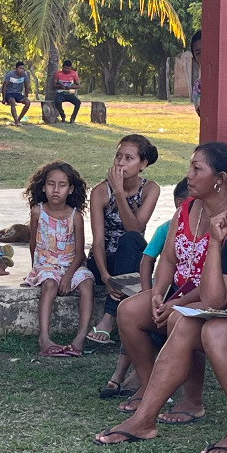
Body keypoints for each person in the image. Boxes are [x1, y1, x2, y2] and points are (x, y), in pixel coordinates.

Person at [97, 162, 227, 446]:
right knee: (185, 322)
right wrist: (216, 244)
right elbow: (213, 299)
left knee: (214, 330)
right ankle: (144, 420)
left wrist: (218, 303)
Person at [108, 143, 227, 425]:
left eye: (197, 169)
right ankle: (149, 384)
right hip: (176, 293)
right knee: (128, 311)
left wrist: (178, 303)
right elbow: (167, 259)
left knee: (179, 319)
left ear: (221, 179)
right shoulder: (188, 208)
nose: (188, 175)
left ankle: (192, 400)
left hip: (218, 297)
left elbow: (220, 283)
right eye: (190, 167)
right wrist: (157, 293)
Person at [100, 179, 187, 400]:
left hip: (186, 297)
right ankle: (119, 374)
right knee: (133, 314)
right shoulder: (167, 227)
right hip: (164, 291)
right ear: (179, 204)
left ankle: (140, 379)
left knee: (159, 327)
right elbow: (147, 259)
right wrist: (149, 292)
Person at [86, 135, 161, 346]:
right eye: (118, 156)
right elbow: (98, 241)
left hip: (131, 260)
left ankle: (109, 317)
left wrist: (119, 193)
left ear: (143, 164)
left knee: (131, 239)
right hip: (104, 263)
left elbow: (135, 229)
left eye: (129, 158)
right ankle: (113, 316)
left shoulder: (150, 189)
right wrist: (105, 275)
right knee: (123, 253)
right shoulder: (100, 192)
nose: (120, 162)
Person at [24, 161, 95, 356]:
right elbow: (33, 243)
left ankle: (80, 337)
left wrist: (68, 275)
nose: (55, 190)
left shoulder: (75, 217)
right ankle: (44, 338)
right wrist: (34, 268)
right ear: (43, 186)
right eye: (50, 184)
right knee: (49, 284)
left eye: (62, 185)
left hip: (71, 264)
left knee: (87, 282)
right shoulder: (38, 212)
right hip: (46, 264)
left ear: (71, 189)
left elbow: (80, 252)